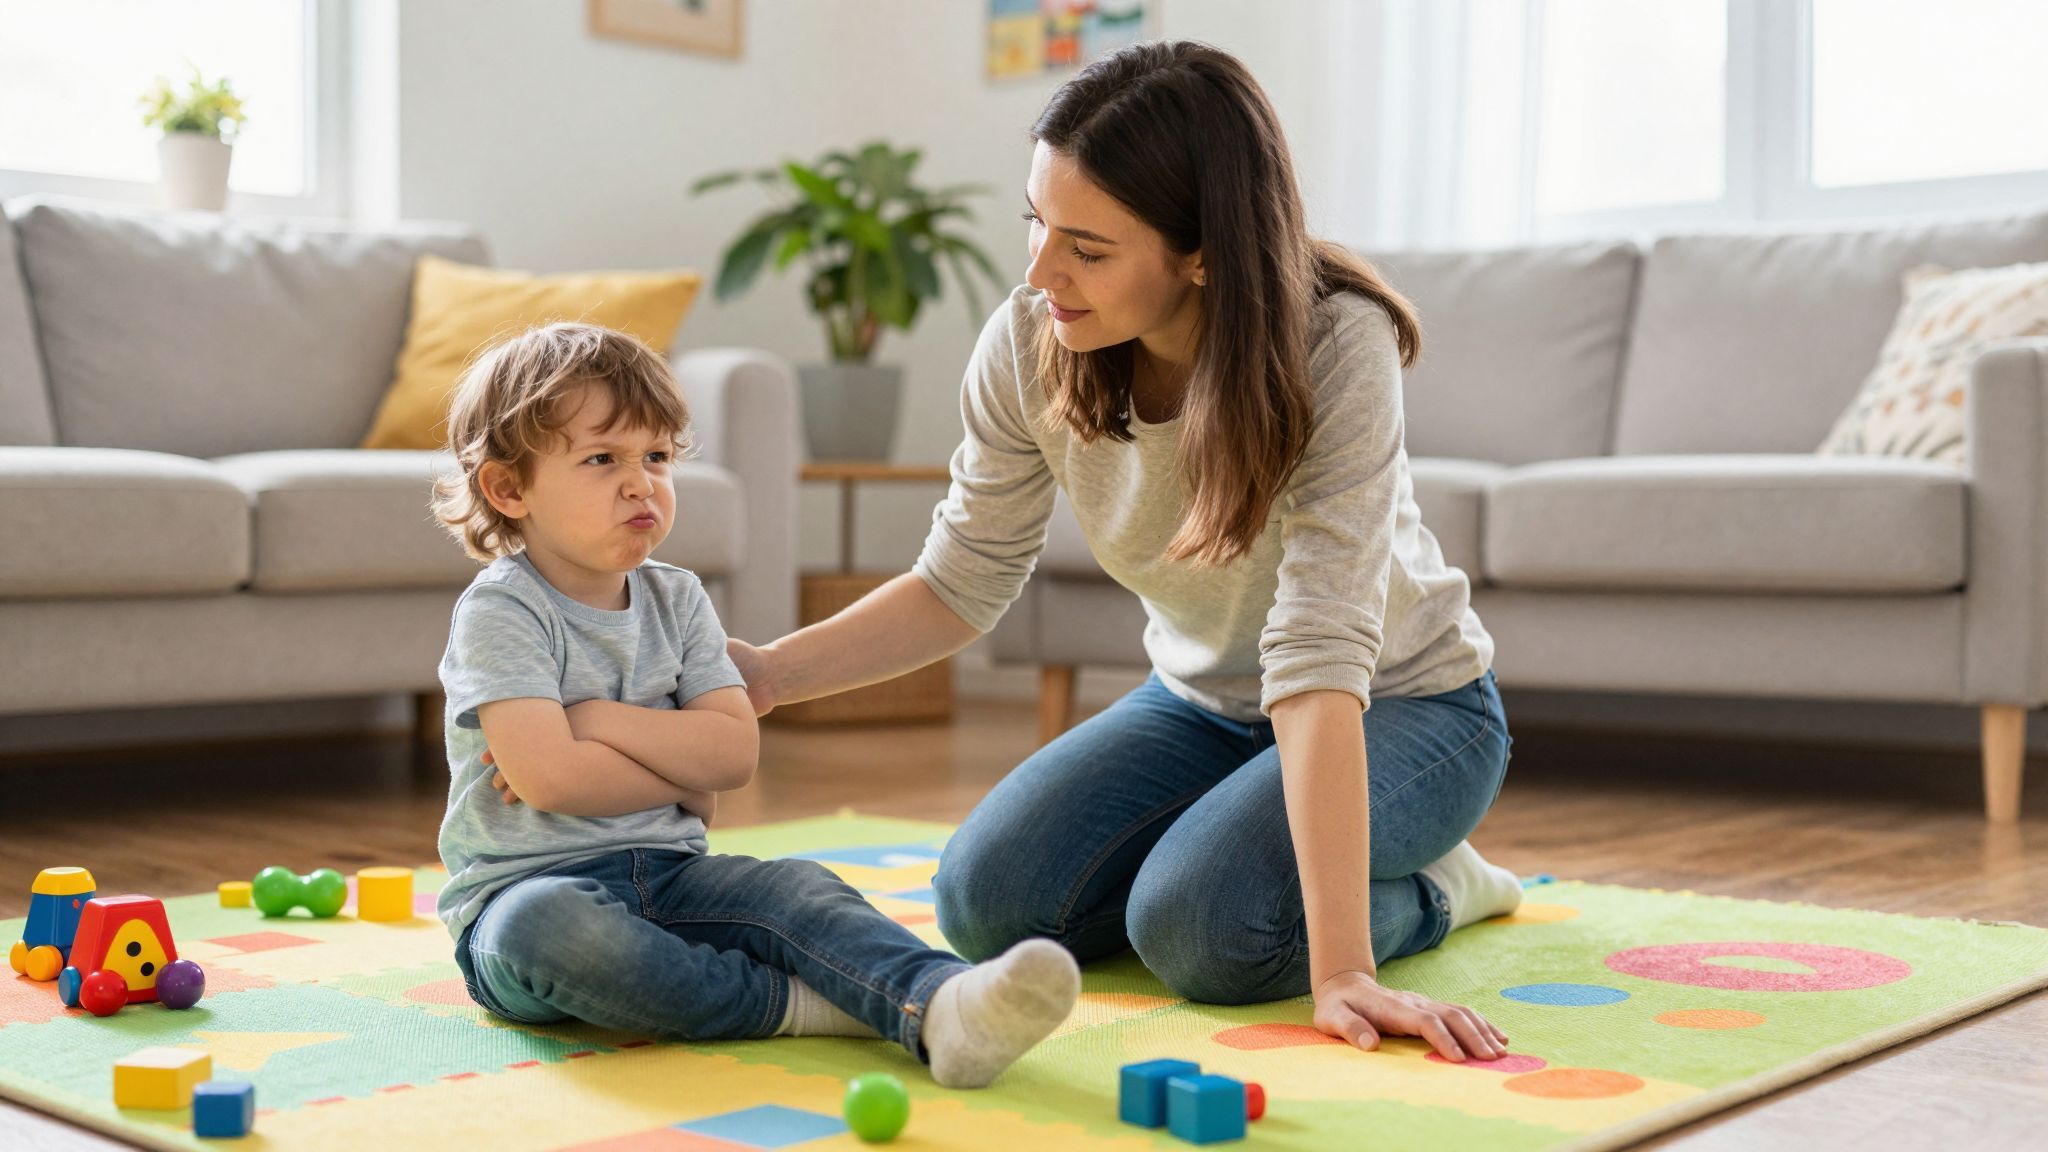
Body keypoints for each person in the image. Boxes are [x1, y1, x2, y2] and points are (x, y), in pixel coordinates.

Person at [726, 42, 1523, 1062]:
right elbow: (962, 578)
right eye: (1035, 223)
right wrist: (766, 676)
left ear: (1201, 252)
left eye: (1087, 249)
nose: (1039, 273)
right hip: (1201, 704)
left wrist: (1341, 971)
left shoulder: (1336, 342)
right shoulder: (1030, 341)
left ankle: (1439, 887)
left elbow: (1322, 652)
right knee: (984, 903)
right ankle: (1235, 851)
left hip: (1406, 705)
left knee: (1203, 933)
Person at [427, 322, 1079, 1087]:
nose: (642, 483)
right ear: (509, 489)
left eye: (658, 457)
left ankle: (938, 999)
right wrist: (679, 763)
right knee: (553, 934)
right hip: (525, 895)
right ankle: (804, 1004)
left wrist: (595, 721)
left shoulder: (679, 598)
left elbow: (733, 758)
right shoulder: (503, 612)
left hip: (671, 876)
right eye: (603, 459)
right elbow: (556, 784)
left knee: (795, 887)